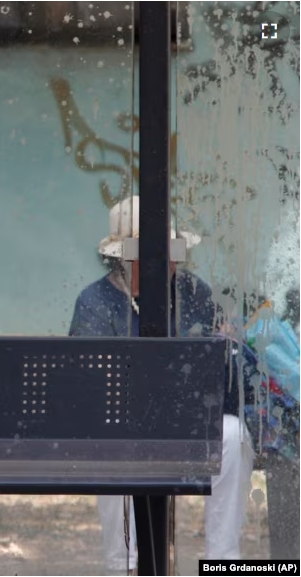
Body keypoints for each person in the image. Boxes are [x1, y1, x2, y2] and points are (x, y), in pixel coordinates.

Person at [68, 196, 255, 574]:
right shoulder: (95, 302)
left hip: (186, 424)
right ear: (126, 257)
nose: (171, 261)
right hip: (120, 429)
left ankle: (223, 561)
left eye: (173, 250)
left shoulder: (194, 292)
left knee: (233, 435)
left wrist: (228, 347)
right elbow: (87, 388)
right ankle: (124, 565)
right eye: (157, 252)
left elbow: (229, 378)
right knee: (109, 448)